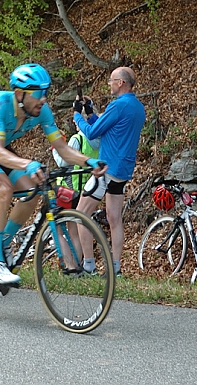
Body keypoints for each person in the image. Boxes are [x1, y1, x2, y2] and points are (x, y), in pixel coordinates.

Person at [0, 63, 107, 285]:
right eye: (38, 93)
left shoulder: (41, 111)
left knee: (32, 191)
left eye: (46, 92)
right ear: (19, 94)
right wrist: (27, 164)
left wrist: (89, 160)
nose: (44, 99)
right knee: (3, 189)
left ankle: (4, 241)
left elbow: (63, 148)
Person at [74, 66, 146, 277]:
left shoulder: (117, 105)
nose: (109, 83)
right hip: (122, 171)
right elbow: (107, 128)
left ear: (121, 83)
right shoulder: (137, 107)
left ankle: (88, 265)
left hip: (106, 169)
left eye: (112, 80)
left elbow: (92, 132)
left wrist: (77, 116)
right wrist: (90, 111)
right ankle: (115, 269)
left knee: (80, 214)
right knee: (114, 219)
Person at [53, 97, 99, 191]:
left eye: (77, 118)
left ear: (84, 120)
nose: (74, 121)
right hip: (92, 187)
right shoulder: (102, 137)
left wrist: (55, 147)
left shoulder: (77, 139)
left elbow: (62, 162)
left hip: (72, 188)